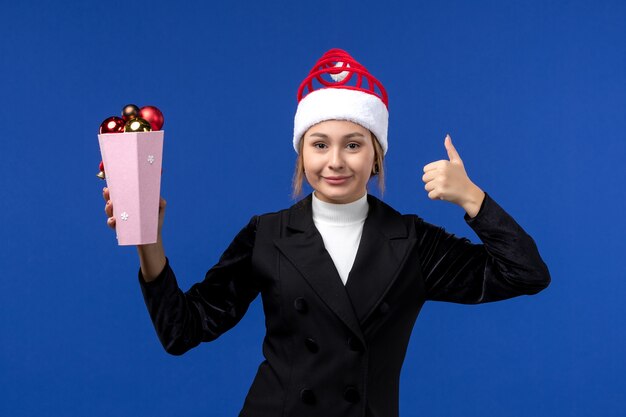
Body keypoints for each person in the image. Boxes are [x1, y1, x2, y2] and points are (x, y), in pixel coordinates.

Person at [102, 48, 550, 417]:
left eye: (353, 144)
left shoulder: (413, 242)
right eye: (320, 144)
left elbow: (525, 273)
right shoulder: (266, 234)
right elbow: (183, 330)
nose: (335, 161)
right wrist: (148, 242)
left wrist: (473, 199)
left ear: (375, 156)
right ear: (302, 155)